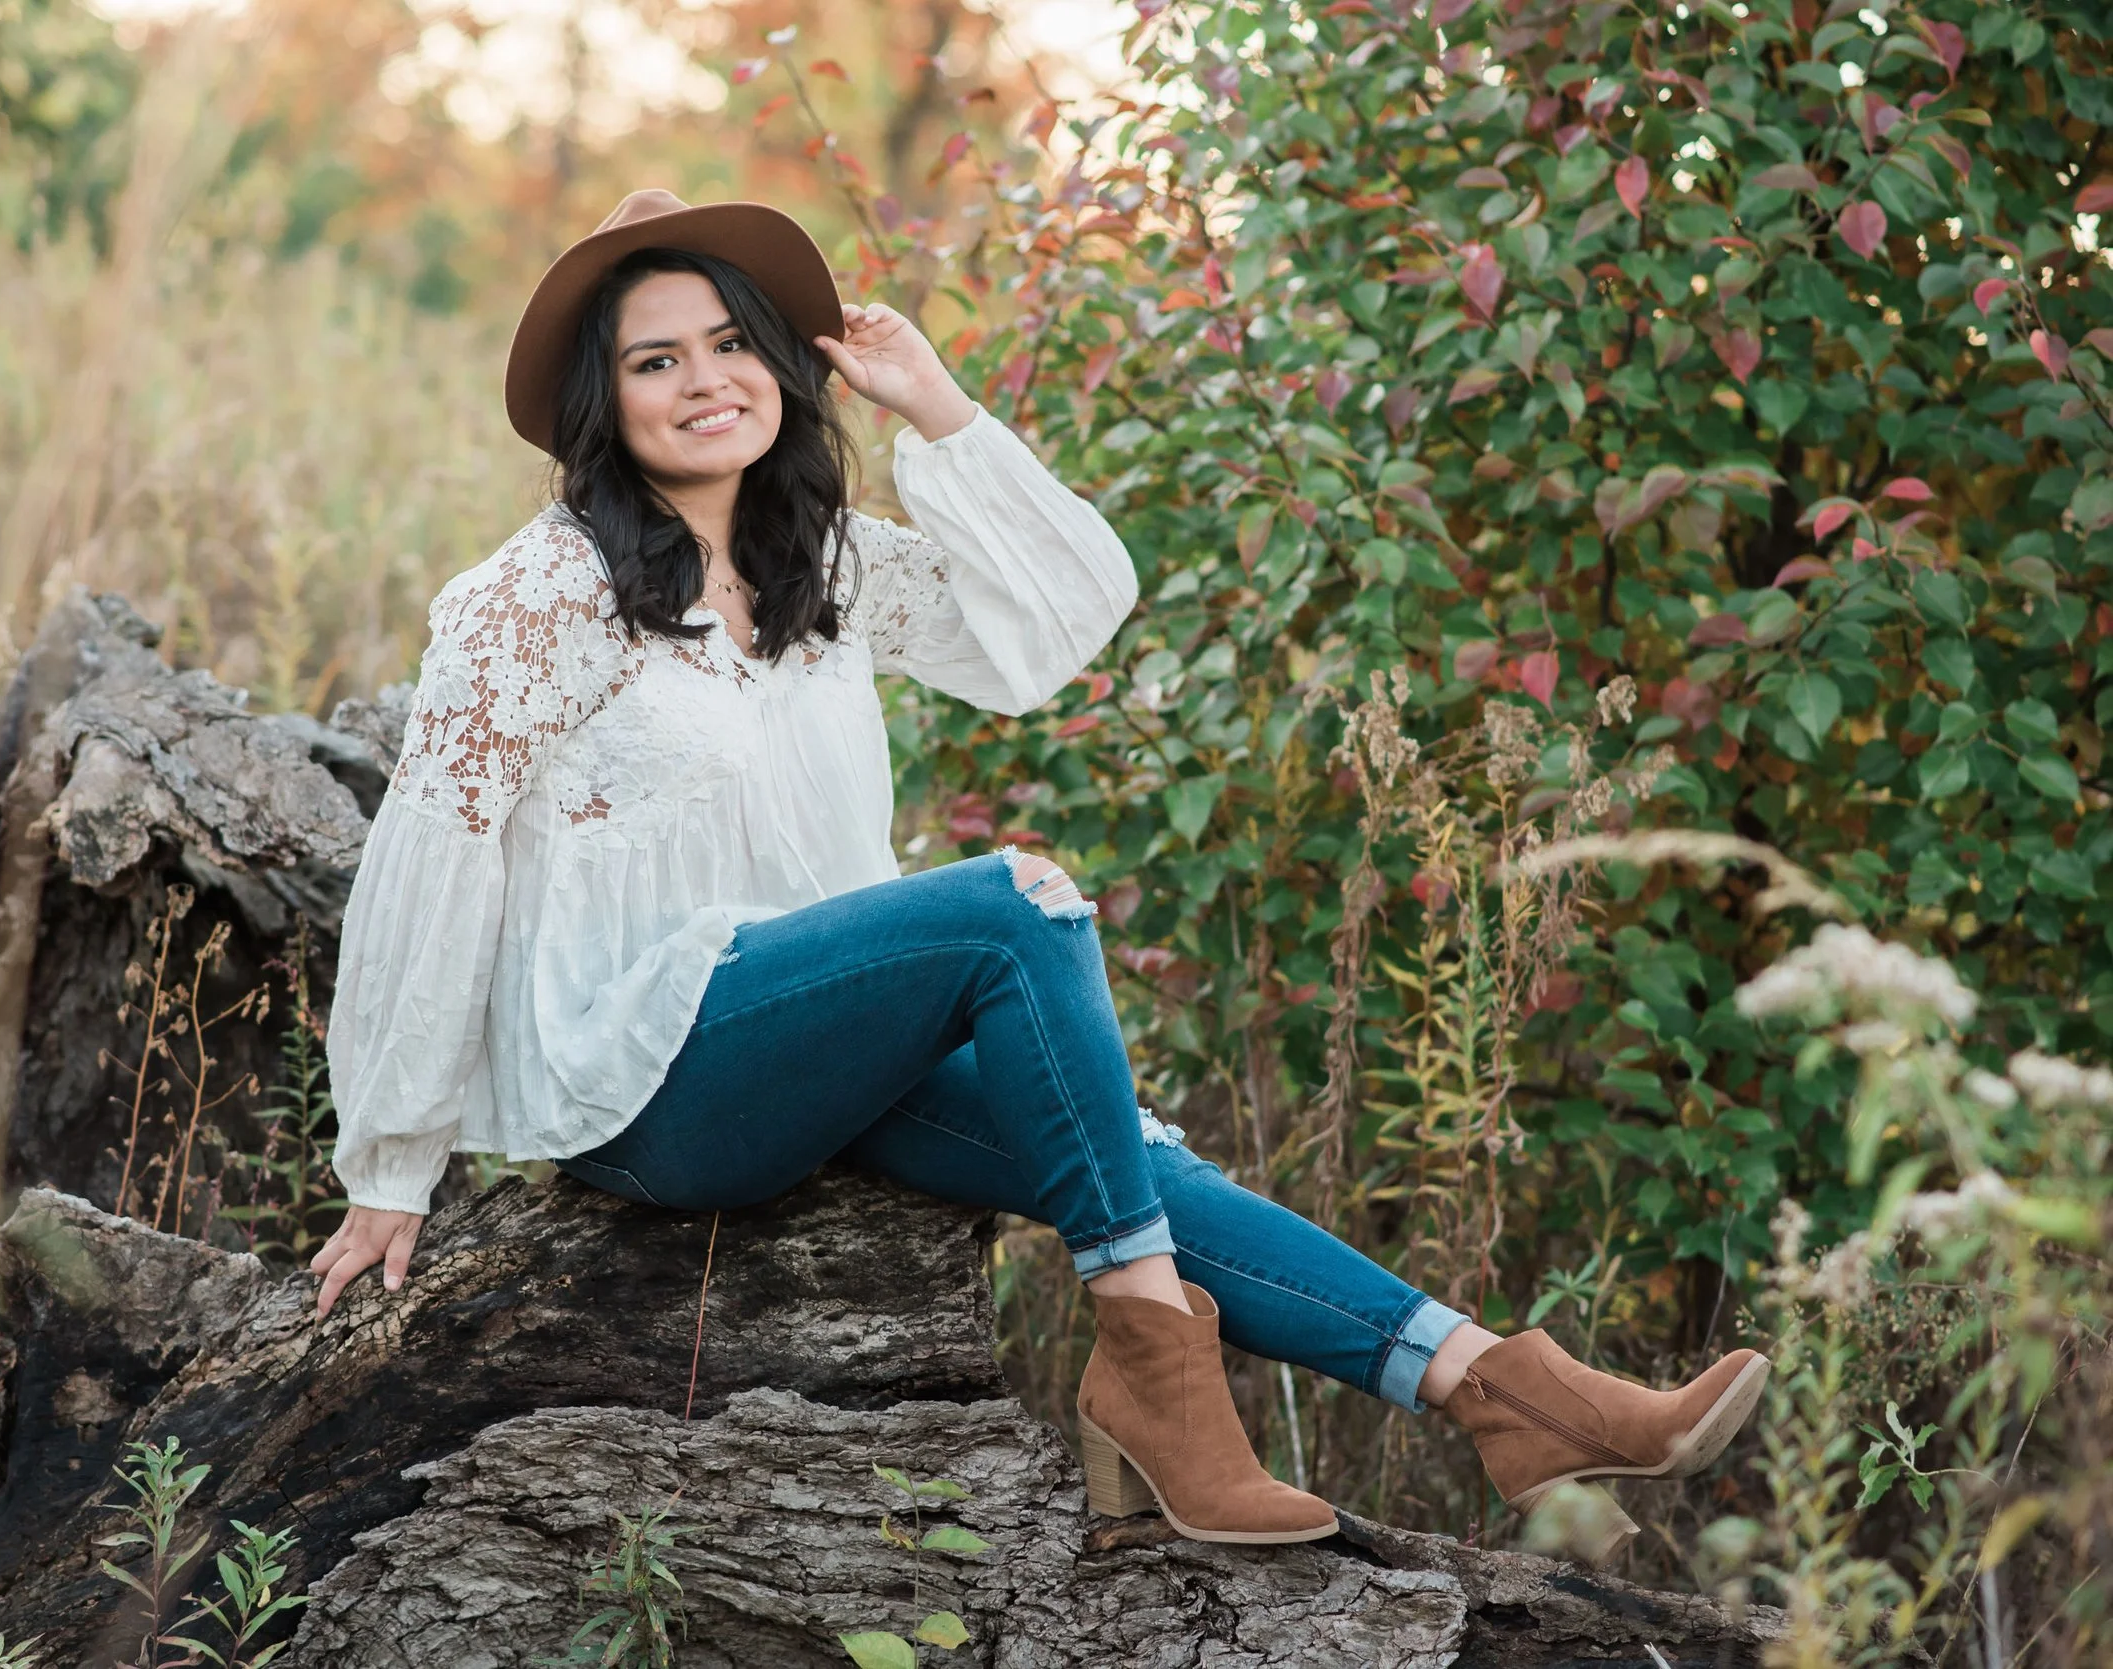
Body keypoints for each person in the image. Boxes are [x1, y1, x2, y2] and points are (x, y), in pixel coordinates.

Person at [306, 188, 1768, 1545]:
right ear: (601, 403)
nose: (707, 382)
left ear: (786, 363)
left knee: (1119, 1152)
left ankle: (1500, 1395)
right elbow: (439, 861)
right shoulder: (534, 595)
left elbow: (1066, 616)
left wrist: (934, 404)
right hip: (644, 1075)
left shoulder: (824, 564)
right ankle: (1149, 1361)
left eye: (736, 343)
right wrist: (391, 1163)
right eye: (656, 361)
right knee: (1014, 907)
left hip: (812, 1044)